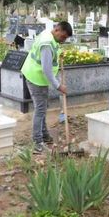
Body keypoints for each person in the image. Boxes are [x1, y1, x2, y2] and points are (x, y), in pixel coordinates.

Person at [21, 21, 73, 153]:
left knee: (43, 107)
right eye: (63, 37)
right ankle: (37, 142)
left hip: (37, 77)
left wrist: (59, 52)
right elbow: (46, 69)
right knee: (40, 109)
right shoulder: (47, 44)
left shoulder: (49, 35)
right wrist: (58, 86)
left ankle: (44, 134)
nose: (63, 41)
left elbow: (53, 49)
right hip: (36, 78)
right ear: (57, 30)